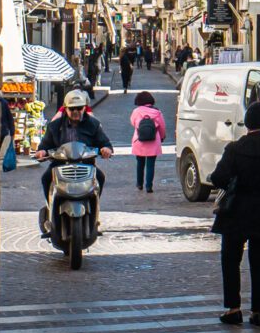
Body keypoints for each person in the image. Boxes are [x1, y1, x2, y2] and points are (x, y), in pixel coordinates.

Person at [209, 101, 260, 326]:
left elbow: (218, 177)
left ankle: (233, 308)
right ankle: (258, 311)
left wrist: (233, 182)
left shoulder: (235, 149)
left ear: (247, 122)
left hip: (237, 209)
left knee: (230, 259)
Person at [36, 88, 113, 229]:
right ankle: (50, 208)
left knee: (100, 177)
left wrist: (106, 149)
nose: (76, 111)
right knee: (46, 178)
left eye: (79, 108)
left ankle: (94, 210)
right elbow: (45, 144)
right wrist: (41, 152)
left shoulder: (93, 124)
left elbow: (104, 142)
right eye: (72, 109)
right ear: (65, 109)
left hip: (86, 164)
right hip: (60, 164)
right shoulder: (54, 126)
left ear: (84, 108)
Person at [129, 89, 166, 192]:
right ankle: (149, 186)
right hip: (153, 141)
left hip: (139, 140)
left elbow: (133, 123)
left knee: (140, 163)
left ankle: (139, 183)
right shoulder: (157, 112)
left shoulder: (136, 111)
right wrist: (162, 137)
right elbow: (162, 127)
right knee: (150, 165)